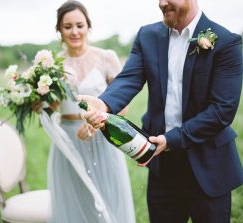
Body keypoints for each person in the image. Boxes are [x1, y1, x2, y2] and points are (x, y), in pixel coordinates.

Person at [80, 0, 243, 222]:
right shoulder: (147, 36)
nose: (162, 3)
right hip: (162, 167)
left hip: (208, 166)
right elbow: (129, 78)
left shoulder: (226, 42)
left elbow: (222, 111)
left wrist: (171, 139)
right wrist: (103, 104)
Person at [46, 1, 136, 223]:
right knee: (75, 201)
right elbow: (52, 108)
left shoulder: (106, 57)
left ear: (88, 26)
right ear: (59, 30)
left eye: (79, 25)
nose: (74, 31)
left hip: (104, 136)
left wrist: (99, 120)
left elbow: (122, 105)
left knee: (109, 198)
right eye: (67, 27)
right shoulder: (51, 66)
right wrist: (38, 103)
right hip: (68, 141)